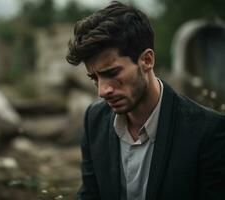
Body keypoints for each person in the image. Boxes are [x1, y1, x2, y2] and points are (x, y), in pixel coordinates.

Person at [65, 1, 225, 200]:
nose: (102, 91)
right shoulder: (94, 119)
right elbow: (90, 195)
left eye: (112, 73)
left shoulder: (209, 131)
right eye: (94, 78)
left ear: (147, 60)